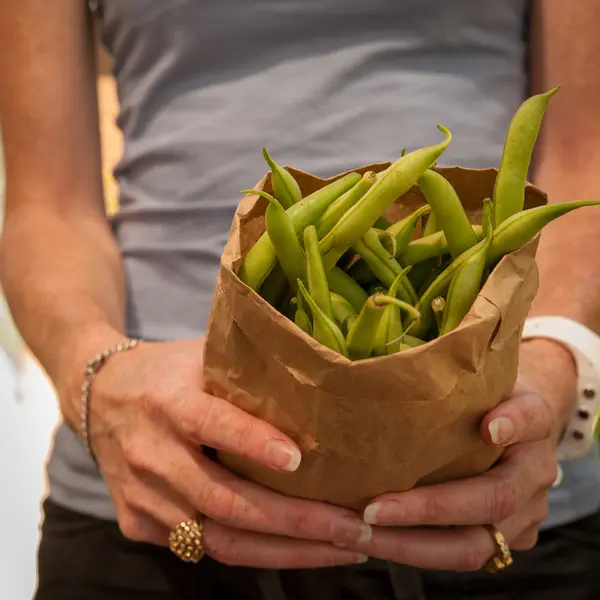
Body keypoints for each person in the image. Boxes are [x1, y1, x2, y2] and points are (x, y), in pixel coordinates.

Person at [1, 1, 600, 599]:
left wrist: (556, 367)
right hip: (162, 491)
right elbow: (46, 207)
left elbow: (586, 161)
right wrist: (100, 379)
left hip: (500, 499)